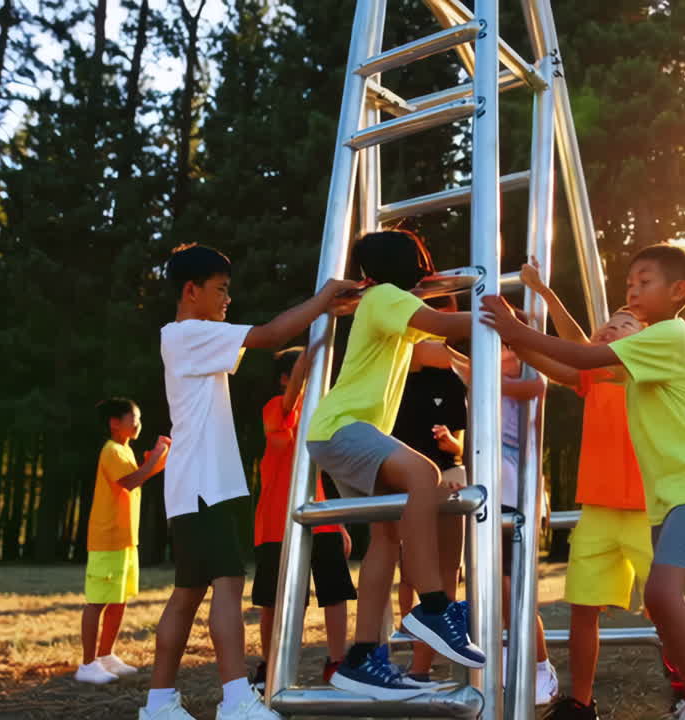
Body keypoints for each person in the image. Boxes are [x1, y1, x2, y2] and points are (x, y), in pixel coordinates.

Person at [481, 243, 685, 720]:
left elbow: (580, 353)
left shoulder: (668, 336)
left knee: (661, 598)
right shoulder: (625, 364)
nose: (632, 293)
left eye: (644, 284)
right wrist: (518, 341)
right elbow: (573, 360)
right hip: (673, 491)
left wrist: (520, 326)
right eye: (629, 285)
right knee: (654, 601)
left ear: (677, 291)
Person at [142, 243, 355, 720]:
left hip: (198, 483)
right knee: (227, 585)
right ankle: (237, 699)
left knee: (188, 593)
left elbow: (265, 343)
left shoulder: (190, 338)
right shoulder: (188, 334)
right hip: (205, 484)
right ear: (190, 291)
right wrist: (323, 300)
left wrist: (318, 325)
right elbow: (271, 334)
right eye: (220, 290)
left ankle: (158, 703)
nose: (226, 300)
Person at [305, 229, 484, 700]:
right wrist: (495, 310)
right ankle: (433, 605)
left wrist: (438, 287)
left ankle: (363, 657)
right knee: (424, 473)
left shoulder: (386, 304)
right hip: (343, 427)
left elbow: (436, 342)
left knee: (384, 536)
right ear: (413, 266)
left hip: (341, 434)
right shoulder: (385, 297)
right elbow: (446, 326)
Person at [514, 263, 652, 720]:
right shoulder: (592, 376)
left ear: (644, 337)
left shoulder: (641, 368)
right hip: (598, 510)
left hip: (647, 511)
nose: (613, 325)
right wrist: (511, 337)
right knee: (582, 610)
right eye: (607, 323)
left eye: (625, 322)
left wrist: (545, 294)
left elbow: (573, 348)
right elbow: (556, 360)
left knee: (666, 610)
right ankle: (581, 703)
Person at [450, 343, 557, 705]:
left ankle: (540, 665)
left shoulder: (530, 379)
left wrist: (476, 375)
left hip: (515, 492)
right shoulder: (484, 385)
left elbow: (531, 390)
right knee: (489, 586)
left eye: (508, 346)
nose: (500, 353)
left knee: (511, 587)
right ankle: (505, 657)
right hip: (486, 489)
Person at [251, 347, 356, 690]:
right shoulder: (274, 407)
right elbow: (281, 426)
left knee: (336, 593)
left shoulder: (322, 416)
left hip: (320, 517)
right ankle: (269, 667)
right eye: (304, 371)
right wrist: (306, 361)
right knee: (272, 600)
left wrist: (338, 521)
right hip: (275, 523)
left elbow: (321, 474)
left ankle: (337, 663)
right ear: (286, 378)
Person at [389, 295, 470, 684]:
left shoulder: (453, 381)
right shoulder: (399, 364)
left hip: (445, 478)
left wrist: (451, 447)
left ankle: (422, 668)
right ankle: (380, 655)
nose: (448, 330)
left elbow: (460, 442)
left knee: (445, 573)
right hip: (397, 483)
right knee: (407, 570)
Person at [77, 398, 170, 685]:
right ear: (114, 423)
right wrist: (155, 456)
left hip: (126, 538)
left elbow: (141, 476)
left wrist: (161, 455)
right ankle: (87, 664)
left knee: (119, 600)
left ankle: (105, 656)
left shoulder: (125, 451)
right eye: (133, 418)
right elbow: (130, 482)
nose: (138, 423)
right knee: (98, 602)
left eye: (139, 418)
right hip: (107, 538)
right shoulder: (112, 451)